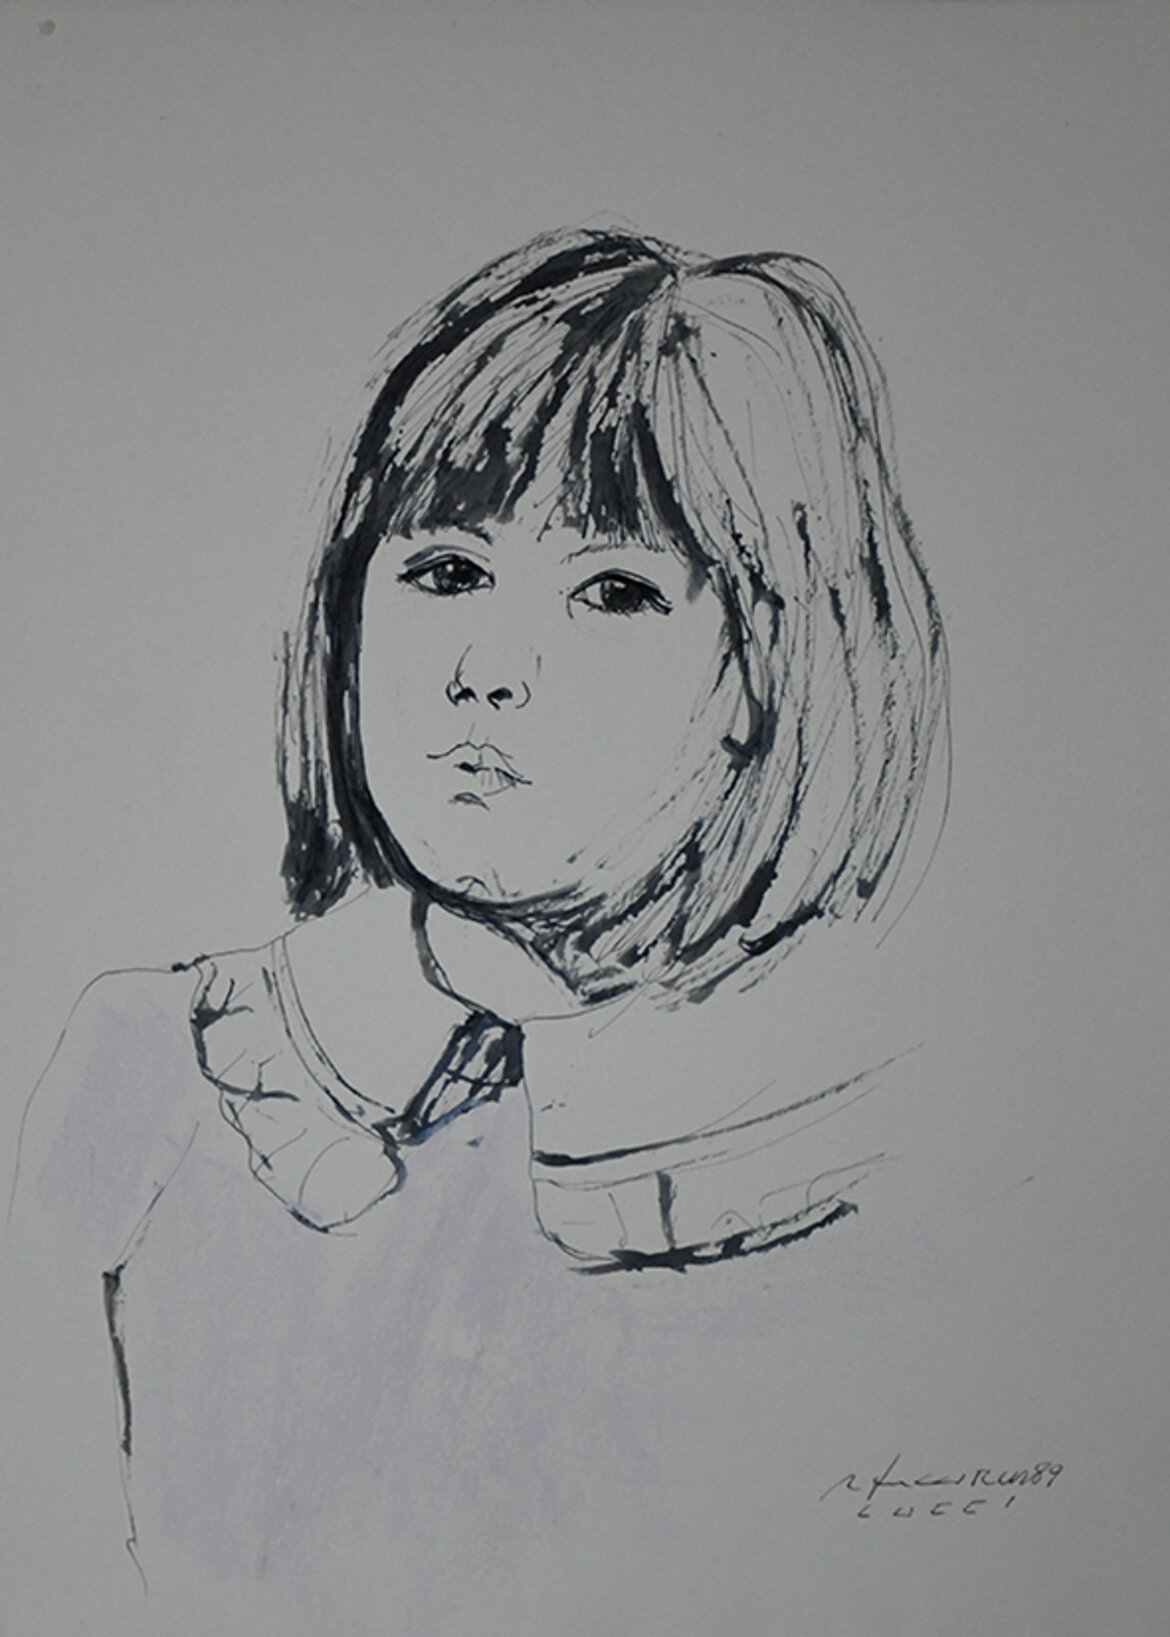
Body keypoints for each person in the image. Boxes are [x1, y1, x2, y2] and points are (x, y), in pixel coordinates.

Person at [2, 225, 948, 1628]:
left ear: (769, 673)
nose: (489, 671)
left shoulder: (877, 1151)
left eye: (615, 591)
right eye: (446, 571)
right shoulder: (160, 1065)